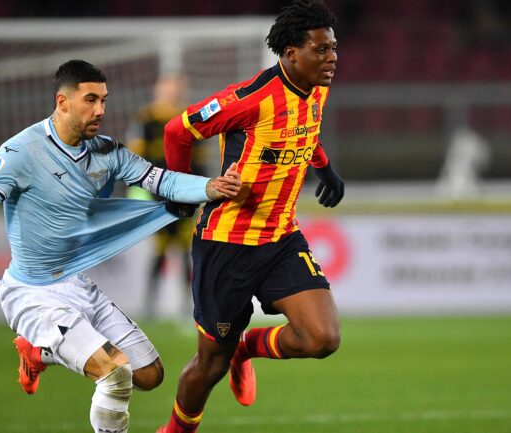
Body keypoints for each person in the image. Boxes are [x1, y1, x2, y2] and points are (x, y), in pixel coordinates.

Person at [0, 60, 241, 433]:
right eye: (90, 100)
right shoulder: (21, 151)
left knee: (150, 374)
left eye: (104, 100)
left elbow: (160, 180)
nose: (100, 110)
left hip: (76, 283)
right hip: (32, 293)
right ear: (62, 102)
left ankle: (38, 351)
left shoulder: (106, 151)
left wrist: (211, 187)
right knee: (116, 374)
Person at [157, 1, 344, 432]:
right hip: (228, 243)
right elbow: (176, 130)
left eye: (333, 48)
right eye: (322, 49)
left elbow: (304, 131)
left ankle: (249, 347)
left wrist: (323, 166)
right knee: (210, 364)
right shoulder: (250, 98)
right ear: (291, 53)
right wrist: (180, 189)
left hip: (281, 239)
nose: (332, 58)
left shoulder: (317, 87)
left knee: (322, 338)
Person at [125, 74, 204, 320]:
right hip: (157, 195)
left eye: (177, 87)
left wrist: (202, 192)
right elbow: (134, 158)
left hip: (186, 194)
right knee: (159, 250)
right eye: (169, 87)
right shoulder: (146, 119)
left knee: (185, 250)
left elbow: (199, 161)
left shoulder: (189, 118)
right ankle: (150, 304)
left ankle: (185, 305)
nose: (173, 92)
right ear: (158, 90)